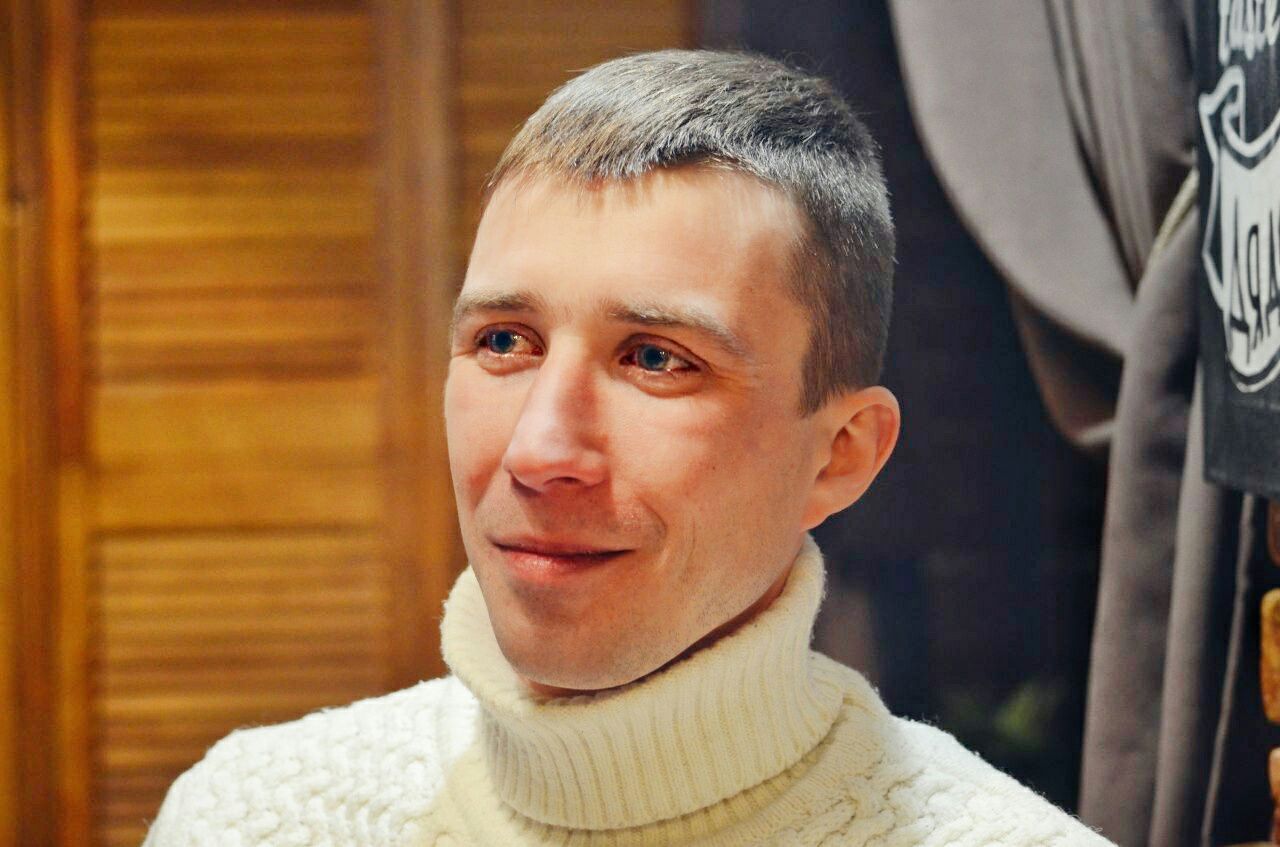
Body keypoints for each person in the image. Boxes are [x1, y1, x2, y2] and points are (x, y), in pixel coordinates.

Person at [142, 50, 1113, 846]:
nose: (539, 450)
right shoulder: (246, 819)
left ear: (839, 456)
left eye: (654, 358)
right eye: (503, 341)